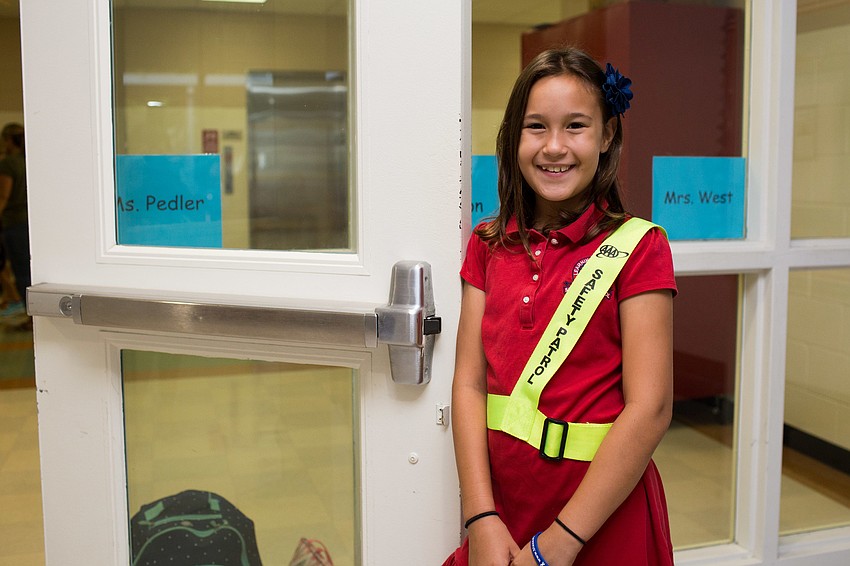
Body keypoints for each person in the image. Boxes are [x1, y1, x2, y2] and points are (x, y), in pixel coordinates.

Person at [443, 48, 676, 566]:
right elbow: (468, 384)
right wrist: (480, 517)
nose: (554, 147)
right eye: (535, 127)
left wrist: (558, 544)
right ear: (513, 137)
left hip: (598, 517)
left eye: (575, 126)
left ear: (607, 135)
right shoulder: (487, 244)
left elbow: (651, 408)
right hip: (504, 513)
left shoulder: (639, 247)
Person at [0, 123, 31, 331]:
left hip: (13, 224)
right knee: (28, 270)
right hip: (29, 223)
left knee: (20, 272)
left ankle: (30, 317)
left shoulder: (8, 164)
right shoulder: (28, 162)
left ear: (9, 140)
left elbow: (3, 195)